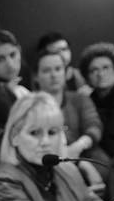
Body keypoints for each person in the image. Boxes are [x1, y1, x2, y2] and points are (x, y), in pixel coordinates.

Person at [34, 50, 107, 185]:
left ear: (66, 72)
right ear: (36, 76)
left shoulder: (80, 99)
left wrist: (78, 146)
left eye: (58, 69)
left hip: (87, 153)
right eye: (46, 70)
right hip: (51, 162)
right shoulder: (31, 107)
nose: (53, 75)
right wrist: (80, 163)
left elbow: (94, 126)